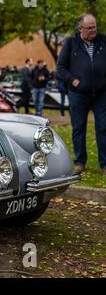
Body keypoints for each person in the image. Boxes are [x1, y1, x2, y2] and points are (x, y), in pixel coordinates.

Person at [56, 13, 106, 176]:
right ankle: (79, 162)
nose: (93, 30)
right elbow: (61, 68)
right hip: (78, 94)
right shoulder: (71, 43)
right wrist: (73, 80)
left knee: (103, 128)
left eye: (95, 26)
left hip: (101, 94)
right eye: (89, 28)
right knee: (78, 128)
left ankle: (104, 164)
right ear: (80, 29)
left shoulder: (103, 41)